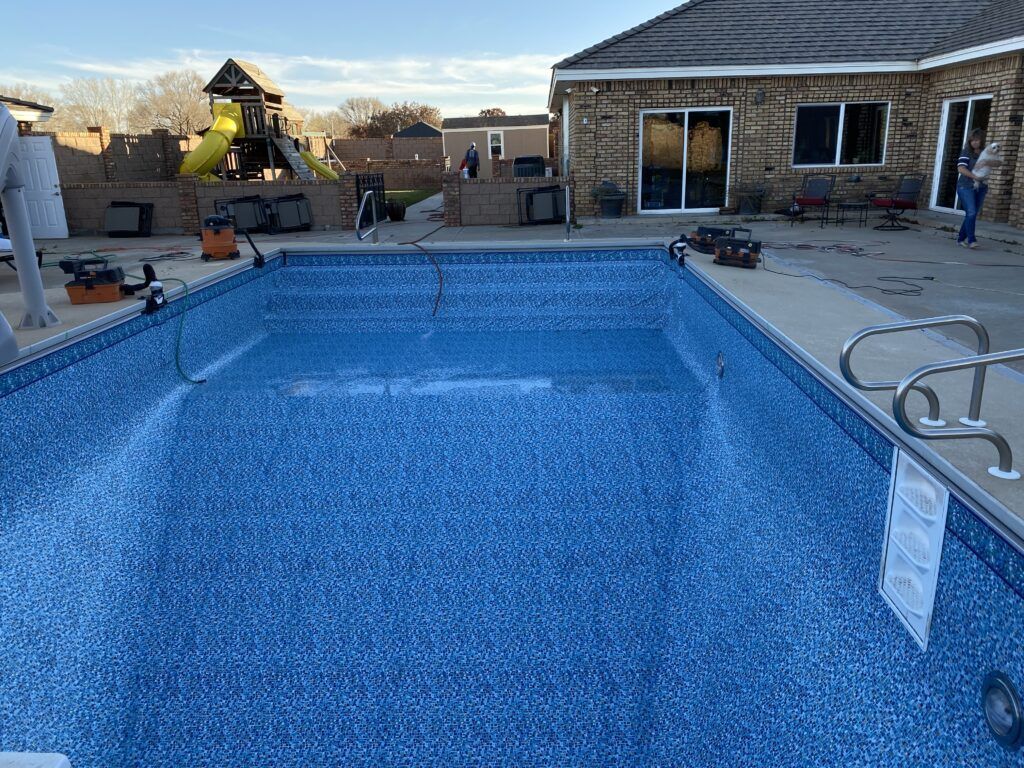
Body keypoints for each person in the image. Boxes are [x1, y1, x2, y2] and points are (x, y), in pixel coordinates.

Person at [956, 128, 988, 249]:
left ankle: (960, 239)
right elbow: (961, 168)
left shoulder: (986, 153)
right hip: (965, 186)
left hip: (982, 187)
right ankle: (972, 240)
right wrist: (975, 176)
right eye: (972, 140)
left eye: (977, 140)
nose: (974, 142)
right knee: (971, 212)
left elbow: (996, 163)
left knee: (972, 214)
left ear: (982, 140)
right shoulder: (966, 152)